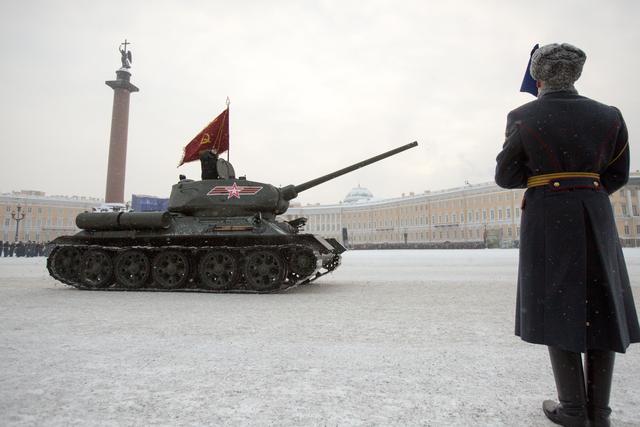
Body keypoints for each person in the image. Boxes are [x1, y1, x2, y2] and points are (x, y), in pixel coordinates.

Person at [495, 43, 640, 427]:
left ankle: (573, 409)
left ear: (538, 76)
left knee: (558, 304)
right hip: (595, 210)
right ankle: (600, 412)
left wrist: (552, 186)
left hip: (547, 216)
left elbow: (506, 176)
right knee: (601, 304)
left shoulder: (524, 116)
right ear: (576, 74)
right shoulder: (609, 115)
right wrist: (583, 193)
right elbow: (618, 174)